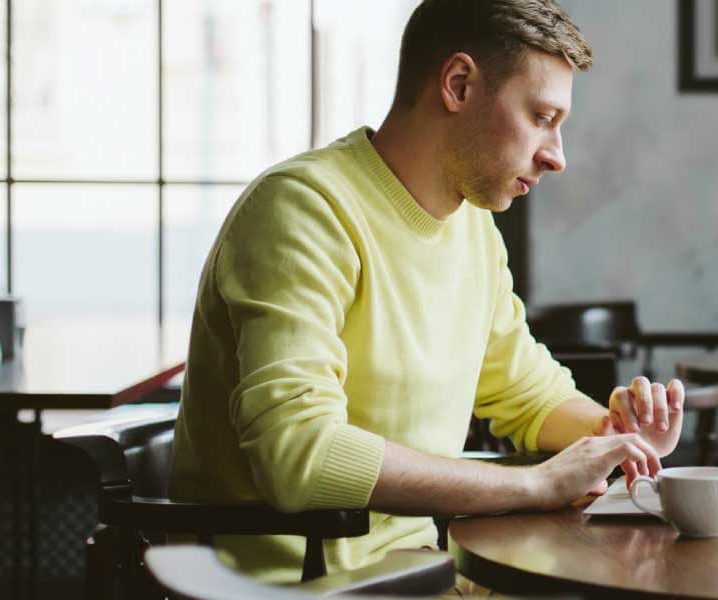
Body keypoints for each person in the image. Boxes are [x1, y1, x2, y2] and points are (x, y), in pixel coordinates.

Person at [167, 0, 678, 581]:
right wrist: (533, 484)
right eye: (541, 117)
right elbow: (299, 456)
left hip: (425, 575)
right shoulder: (303, 210)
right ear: (458, 85)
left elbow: (527, 393)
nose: (557, 156)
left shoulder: (473, 229)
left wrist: (618, 438)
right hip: (301, 587)